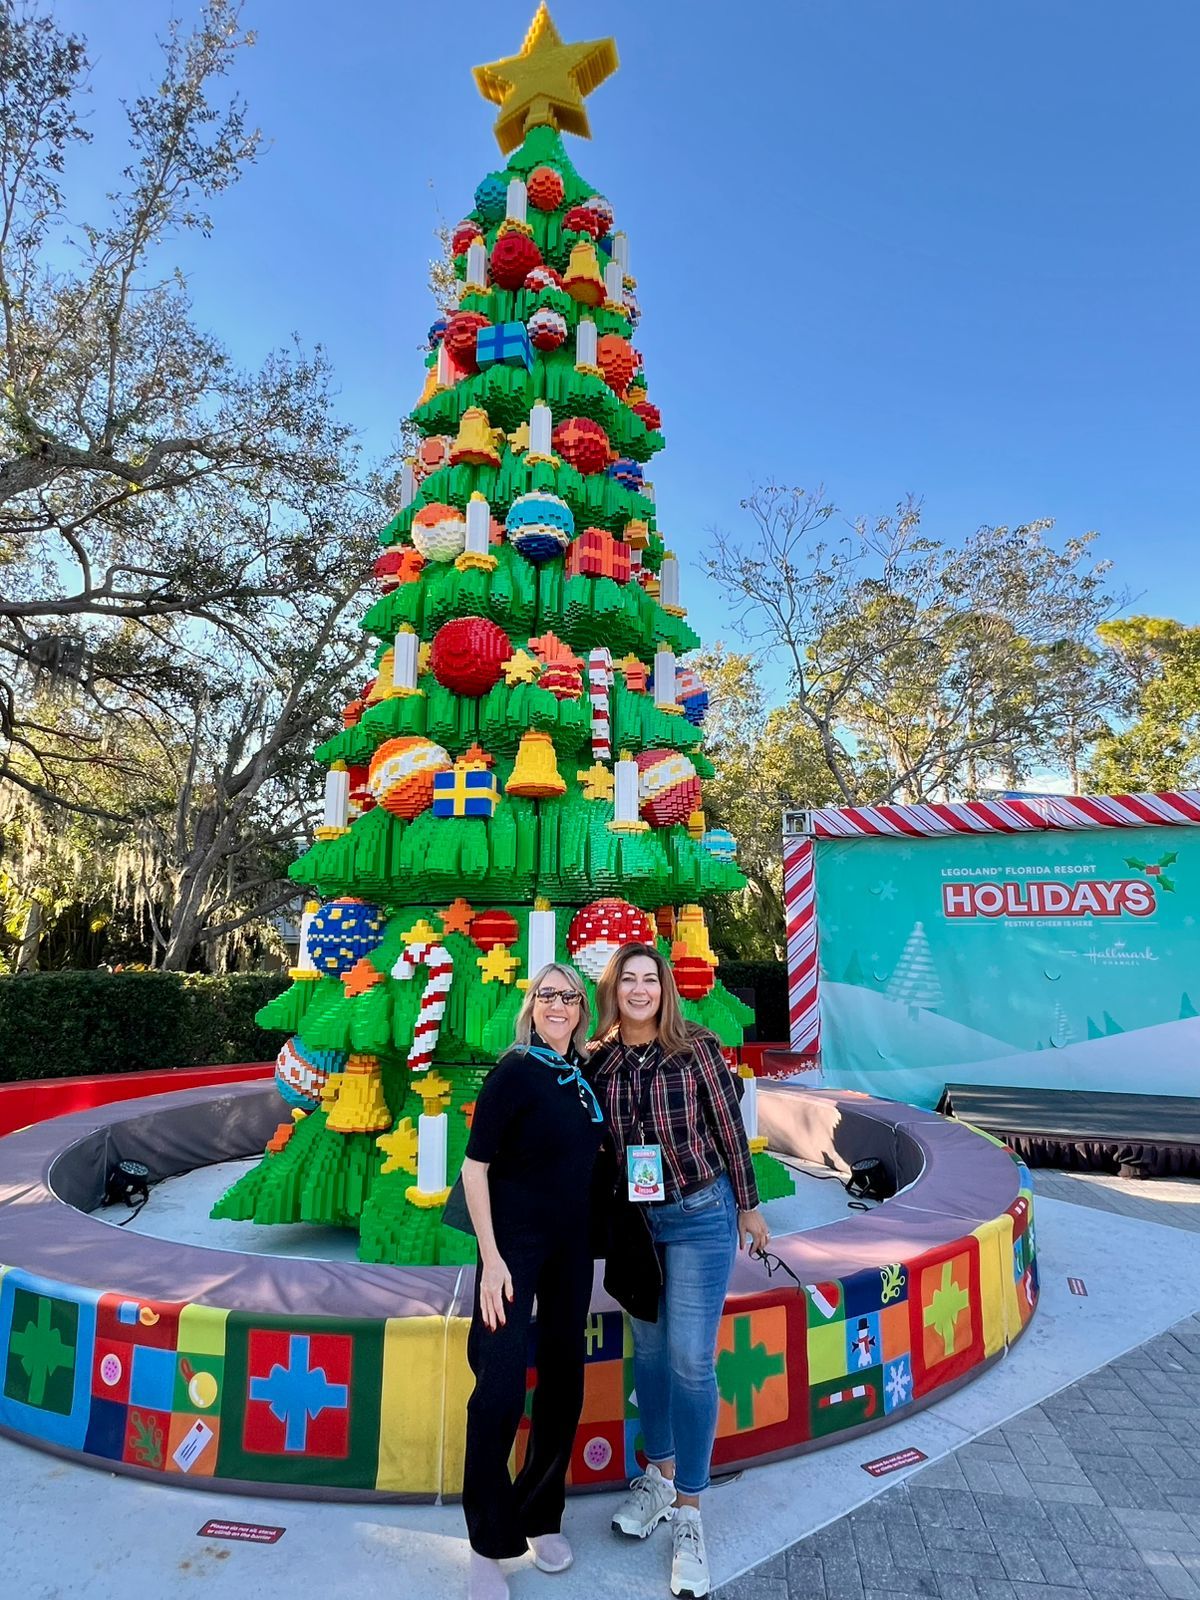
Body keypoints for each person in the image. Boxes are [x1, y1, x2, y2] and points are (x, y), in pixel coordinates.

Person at [589, 943, 770, 1600]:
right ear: (613, 990)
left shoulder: (696, 1047)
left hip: (699, 1215)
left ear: (665, 989)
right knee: (652, 1350)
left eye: (650, 980)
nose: (640, 990)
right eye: (628, 980)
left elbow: (727, 1130)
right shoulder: (598, 1059)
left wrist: (749, 1208)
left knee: (692, 1360)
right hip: (638, 1227)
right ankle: (659, 1477)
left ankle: (690, 1510)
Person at [459, 962, 605, 1600]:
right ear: (532, 1004)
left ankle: (542, 1513)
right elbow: (473, 1170)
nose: (559, 1005)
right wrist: (491, 1257)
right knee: (498, 1389)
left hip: (572, 1248)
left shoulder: (583, 1075)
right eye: (547, 995)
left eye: (569, 997)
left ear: (580, 1009)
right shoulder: (514, 1072)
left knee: (563, 1381)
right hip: (512, 1250)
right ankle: (487, 1540)